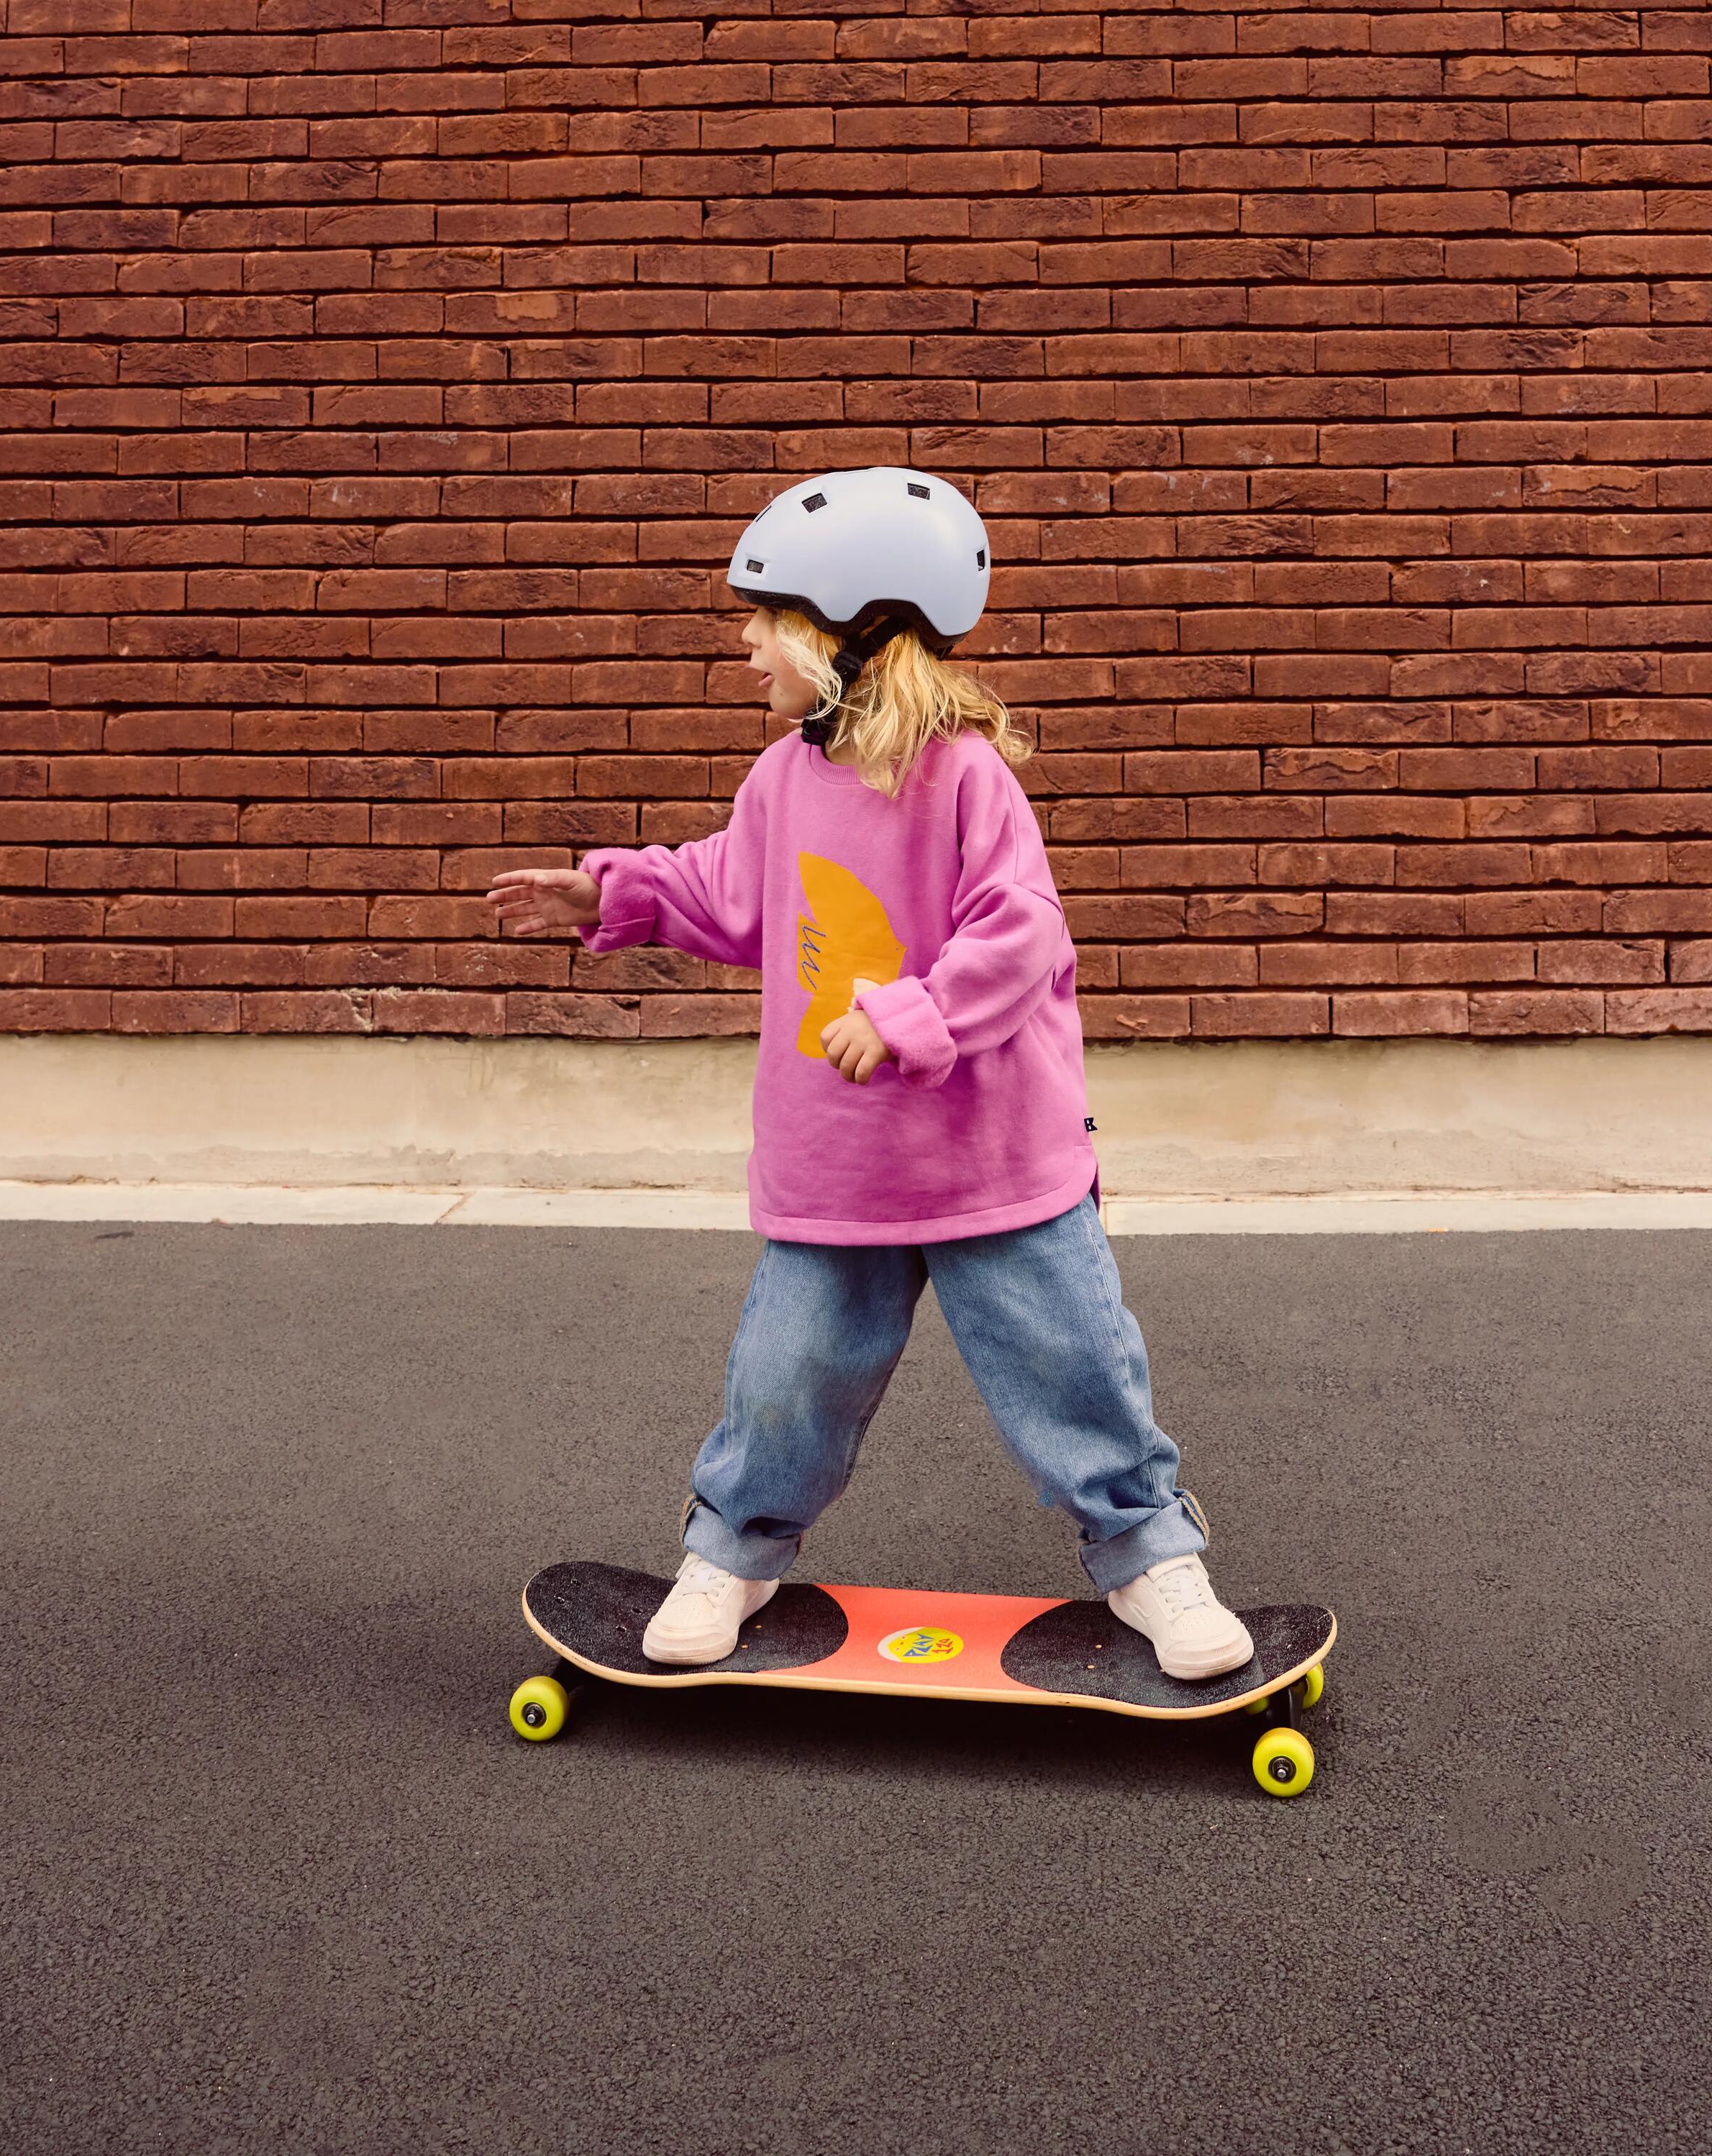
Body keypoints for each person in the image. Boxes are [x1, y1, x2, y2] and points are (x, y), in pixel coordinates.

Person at [488, 466, 1254, 1681]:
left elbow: (1022, 932)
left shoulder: (966, 778)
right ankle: (733, 1551)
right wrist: (612, 893)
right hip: (839, 1169)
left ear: (850, 630)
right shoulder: (782, 780)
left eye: (768, 618)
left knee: (1074, 1368)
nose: (747, 644)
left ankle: (1150, 1554)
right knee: (784, 1380)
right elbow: (730, 892)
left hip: (994, 1163)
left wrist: (911, 1013)